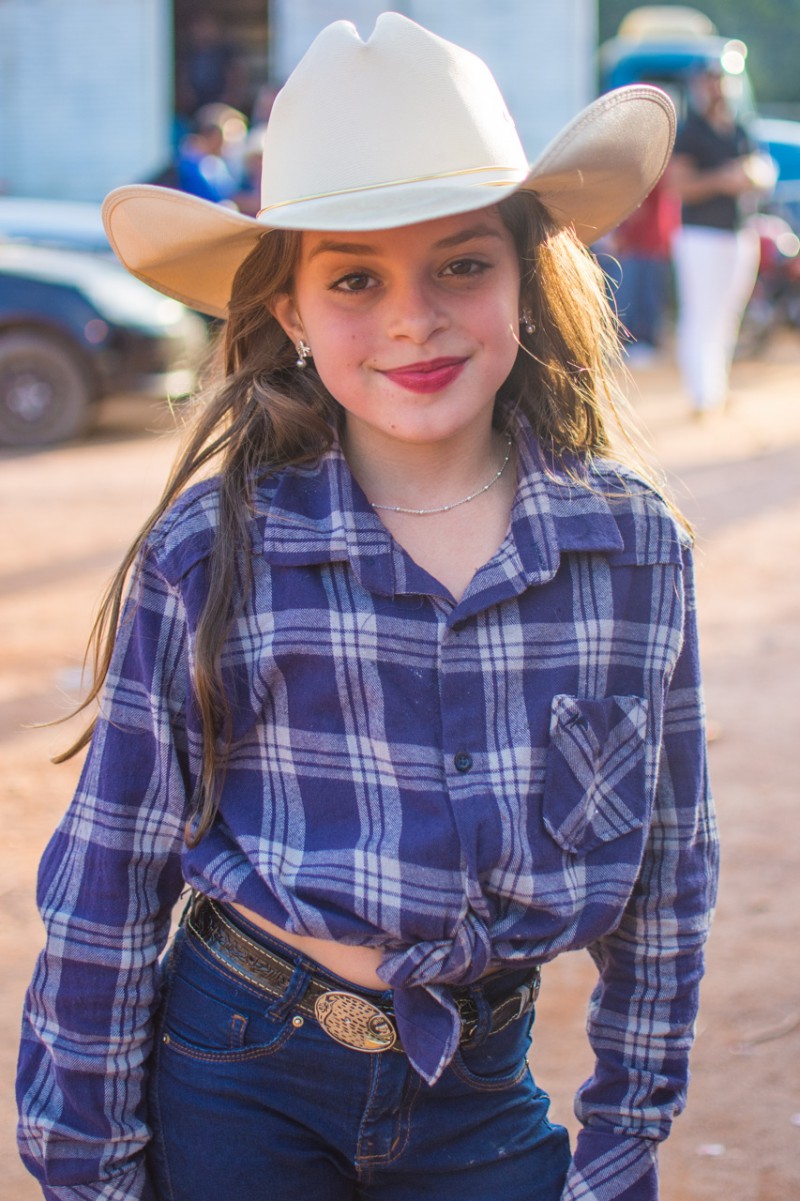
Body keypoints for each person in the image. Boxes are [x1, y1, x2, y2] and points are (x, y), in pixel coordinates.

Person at [16, 14, 718, 1201]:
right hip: (235, 1069)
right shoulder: (213, 553)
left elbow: (665, 865)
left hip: (479, 1088)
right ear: (289, 312)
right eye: (353, 277)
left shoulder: (632, 550)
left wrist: (622, 1132)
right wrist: (88, 1168)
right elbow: (110, 872)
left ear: (525, 275)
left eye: (461, 264)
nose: (411, 317)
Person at [667, 61, 776, 414]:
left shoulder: (740, 128)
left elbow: (763, 170)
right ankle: (701, 394)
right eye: (711, 81)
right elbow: (678, 186)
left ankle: (717, 387)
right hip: (701, 234)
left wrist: (751, 177)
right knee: (701, 312)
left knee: (728, 314)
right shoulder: (691, 131)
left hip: (738, 232)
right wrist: (721, 180)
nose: (718, 88)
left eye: (722, 81)